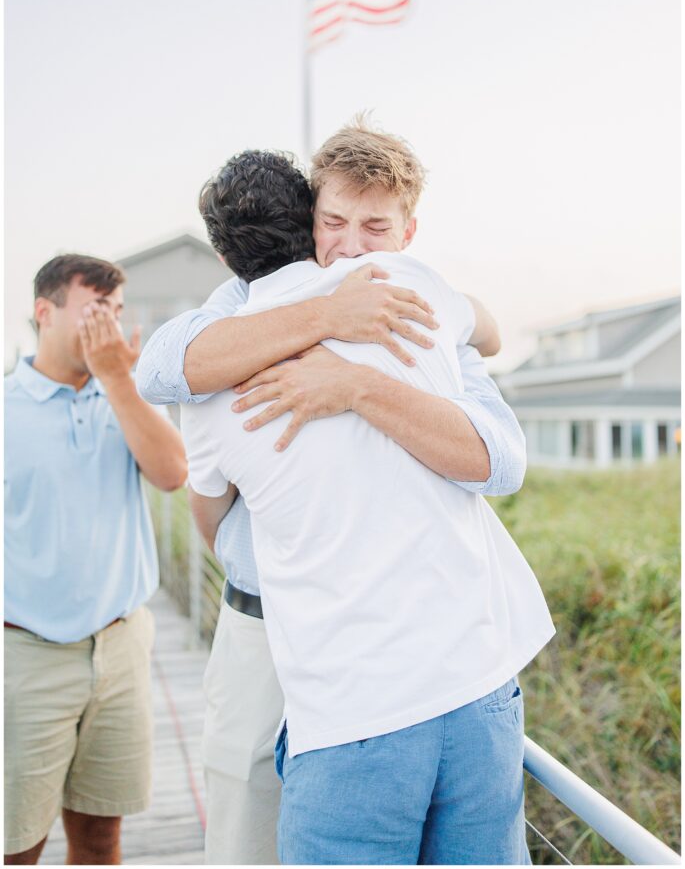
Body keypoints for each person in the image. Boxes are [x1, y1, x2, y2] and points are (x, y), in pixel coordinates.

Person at [135, 120, 530, 864]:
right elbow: (162, 367)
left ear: (408, 232)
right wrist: (325, 315)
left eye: (374, 228)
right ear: (308, 216)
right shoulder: (238, 306)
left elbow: (499, 447)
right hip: (268, 623)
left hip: (416, 657)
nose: (349, 246)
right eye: (334, 222)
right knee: (249, 826)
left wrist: (353, 384)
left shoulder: (417, 300)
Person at [4, 254, 187, 866]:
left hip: (121, 648)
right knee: (16, 845)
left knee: (101, 838)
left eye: (115, 311)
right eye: (93, 311)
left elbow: (171, 474)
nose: (109, 326)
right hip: (25, 657)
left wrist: (118, 381)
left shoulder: (123, 393)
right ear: (44, 312)